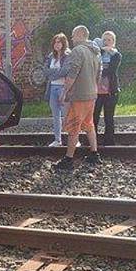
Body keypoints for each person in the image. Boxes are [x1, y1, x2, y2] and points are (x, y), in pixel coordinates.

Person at [58, 25, 102, 170]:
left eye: (73, 35)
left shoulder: (78, 51)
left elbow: (73, 73)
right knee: (89, 125)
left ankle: (69, 159)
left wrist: (64, 92)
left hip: (79, 96)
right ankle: (94, 154)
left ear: (80, 34)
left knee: (73, 127)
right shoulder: (95, 52)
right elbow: (99, 74)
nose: (71, 38)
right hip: (91, 94)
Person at [94, 31, 121, 146]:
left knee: (108, 118)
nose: (106, 42)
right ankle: (93, 140)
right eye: (104, 40)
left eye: (109, 40)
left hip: (111, 91)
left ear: (113, 42)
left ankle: (109, 142)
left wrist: (100, 71)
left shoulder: (116, 55)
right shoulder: (97, 54)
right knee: (94, 117)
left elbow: (111, 70)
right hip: (96, 92)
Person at [43, 33, 71, 147]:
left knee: (67, 115)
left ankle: (73, 139)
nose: (56, 44)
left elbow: (65, 71)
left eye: (59, 42)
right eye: (55, 42)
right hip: (52, 88)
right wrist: (56, 73)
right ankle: (57, 139)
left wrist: (52, 74)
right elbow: (45, 71)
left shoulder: (68, 55)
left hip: (63, 88)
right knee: (55, 115)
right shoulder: (51, 56)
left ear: (64, 43)